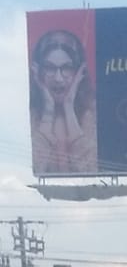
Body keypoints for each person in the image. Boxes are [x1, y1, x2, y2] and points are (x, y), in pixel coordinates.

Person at [30, 29, 97, 174]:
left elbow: (88, 170)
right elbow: (37, 168)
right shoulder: (32, 116)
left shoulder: (92, 116)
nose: (58, 78)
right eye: (49, 68)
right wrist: (48, 112)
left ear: (79, 72)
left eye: (66, 68)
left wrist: (69, 108)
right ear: (38, 71)